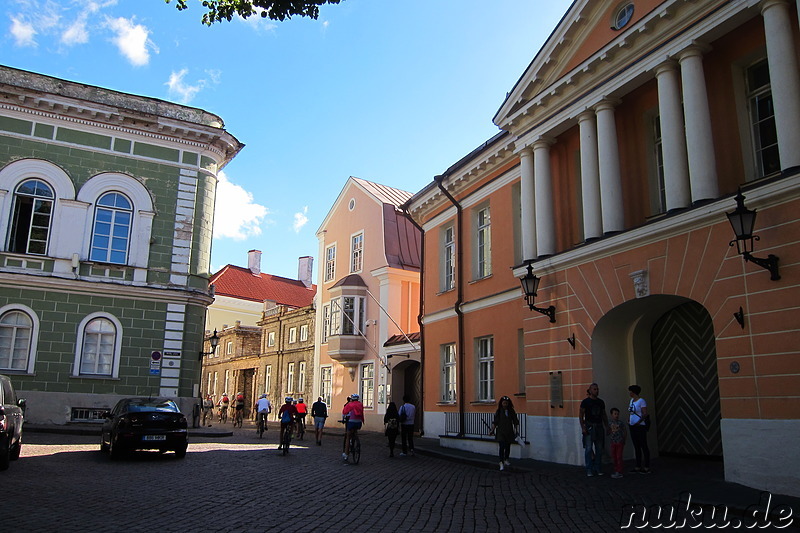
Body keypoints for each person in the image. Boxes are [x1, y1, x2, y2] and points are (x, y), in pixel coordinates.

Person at [579, 382, 609, 477]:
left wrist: (607, 426)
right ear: (590, 390)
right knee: (588, 448)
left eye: (597, 389)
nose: (597, 391)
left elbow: (604, 414)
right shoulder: (585, 402)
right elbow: (581, 415)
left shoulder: (600, 402)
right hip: (589, 426)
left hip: (599, 426)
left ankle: (598, 467)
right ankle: (589, 468)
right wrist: (583, 427)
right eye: (595, 389)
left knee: (599, 449)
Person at [489, 395, 520, 471]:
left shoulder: (511, 411)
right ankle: (501, 462)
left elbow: (515, 421)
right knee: (502, 447)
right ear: (501, 403)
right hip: (501, 432)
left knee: (508, 446)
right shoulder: (499, 411)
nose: (505, 405)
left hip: (509, 431)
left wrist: (516, 430)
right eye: (504, 403)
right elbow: (495, 422)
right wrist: (492, 430)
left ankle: (506, 459)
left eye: (506, 403)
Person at [628, 384, 651, 474]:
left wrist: (639, 421)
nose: (629, 393)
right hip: (632, 425)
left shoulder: (641, 401)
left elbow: (645, 413)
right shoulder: (631, 401)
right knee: (636, 446)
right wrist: (629, 419)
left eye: (630, 391)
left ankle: (646, 466)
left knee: (643, 445)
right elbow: (631, 412)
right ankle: (637, 465)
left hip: (640, 426)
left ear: (633, 392)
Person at [341, 393, 364, 461]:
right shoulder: (360, 404)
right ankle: (356, 441)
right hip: (359, 422)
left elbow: (344, 412)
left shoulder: (350, 404)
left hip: (351, 422)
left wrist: (343, 418)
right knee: (355, 431)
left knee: (348, 436)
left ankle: (346, 454)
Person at [609, 407, 627, 478]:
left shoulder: (620, 423)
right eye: (615, 414)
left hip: (619, 441)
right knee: (614, 456)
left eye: (617, 414)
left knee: (619, 456)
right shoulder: (610, 423)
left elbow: (625, 431)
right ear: (612, 415)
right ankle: (616, 470)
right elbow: (608, 431)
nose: (616, 415)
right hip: (613, 441)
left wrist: (624, 439)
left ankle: (619, 471)